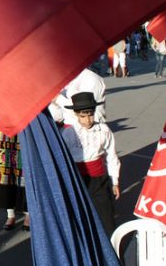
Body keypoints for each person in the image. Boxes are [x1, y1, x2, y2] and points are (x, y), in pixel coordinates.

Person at [60, 92, 120, 234]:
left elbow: (111, 156)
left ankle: (112, 251)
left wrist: (115, 181)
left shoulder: (103, 130)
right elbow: (63, 159)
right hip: (77, 179)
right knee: (80, 218)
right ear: (76, 114)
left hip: (99, 179)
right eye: (83, 116)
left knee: (107, 218)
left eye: (90, 114)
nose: (87, 119)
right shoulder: (68, 133)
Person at [0, 127, 28, 231]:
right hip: (5, 131)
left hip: (25, 129)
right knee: (6, 174)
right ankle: (10, 215)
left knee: (25, 173)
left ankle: (28, 214)